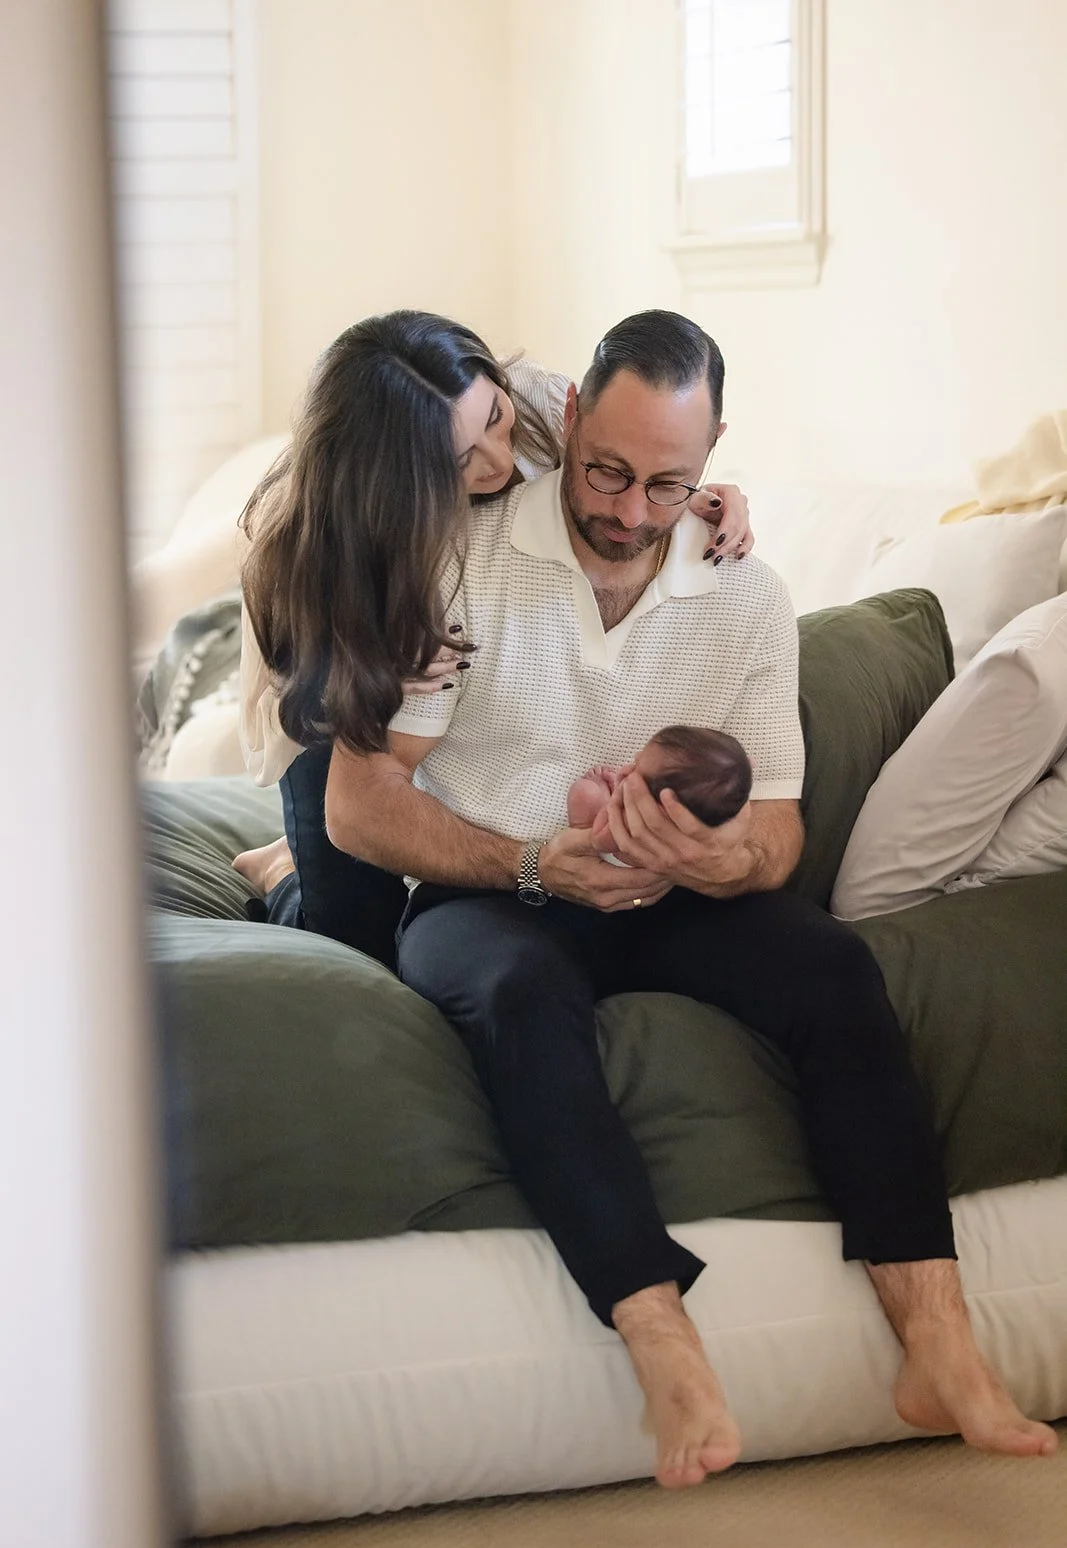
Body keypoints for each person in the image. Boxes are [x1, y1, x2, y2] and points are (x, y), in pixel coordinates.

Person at [316, 308, 1058, 1487]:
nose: (625, 509)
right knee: (515, 994)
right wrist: (525, 863)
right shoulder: (455, 548)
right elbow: (360, 803)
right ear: (566, 421)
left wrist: (719, 864)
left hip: (669, 893)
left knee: (830, 966)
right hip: (496, 889)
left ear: (713, 464)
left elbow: (774, 825)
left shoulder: (744, 593)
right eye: (605, 471)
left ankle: (937, 1340)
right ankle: (662, 1341)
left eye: (668, 482)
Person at [235, 312, 755, 965]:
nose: (501, 462)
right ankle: (281, 873)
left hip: (465, 688)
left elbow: (629, 473)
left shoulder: (540, 402)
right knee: (354, 939)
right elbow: (302, 725)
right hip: (338, 710)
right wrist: (381, 653)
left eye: (492, 419)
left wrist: (699, 499)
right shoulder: (309, 553)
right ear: (398, 482)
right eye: (459, 462)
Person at [568, 725, 752, 841]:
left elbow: (599, 839)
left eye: (636, 767)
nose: (635, 758)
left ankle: (578, 830)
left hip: (620, 877)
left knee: (584, 793)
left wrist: (615, 800)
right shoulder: (709, 818)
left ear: (661, 807)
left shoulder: (640, 827)